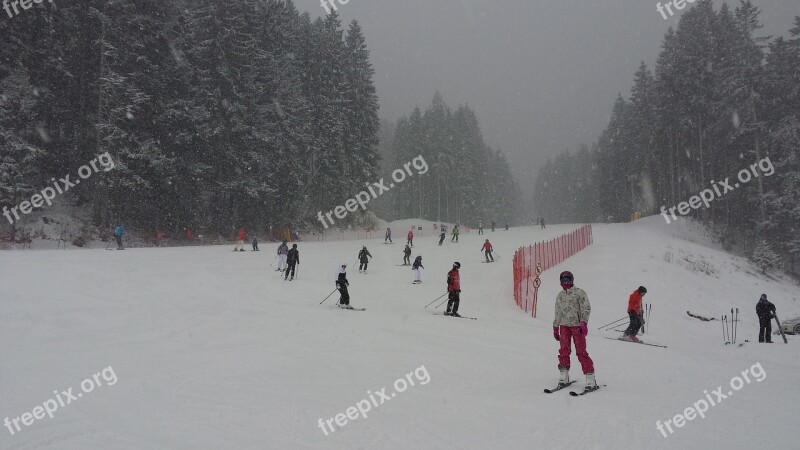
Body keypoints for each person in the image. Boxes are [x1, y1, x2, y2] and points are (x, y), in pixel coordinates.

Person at [552, 270, 597, 391]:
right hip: (564, 326)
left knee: (581, 352)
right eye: (563, 280)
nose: (566, 283)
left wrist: (584, 322)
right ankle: (564, 375)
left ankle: (590, 377)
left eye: (568, 280)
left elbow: (586, 308)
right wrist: (556, 327)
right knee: (564, 351)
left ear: (572, 280)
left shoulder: (579, 293)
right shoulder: (560, 296)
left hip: (577, 326)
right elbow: (558, 312)